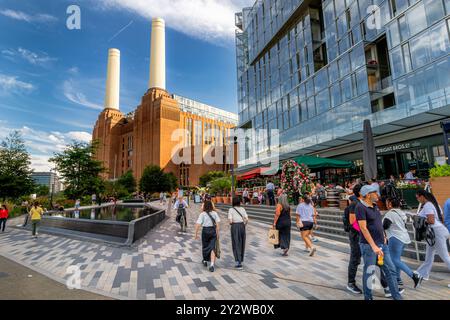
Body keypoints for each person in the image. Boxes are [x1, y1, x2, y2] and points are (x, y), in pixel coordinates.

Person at [356, 185, 402, 300]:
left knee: (390, 270)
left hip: (382, 244)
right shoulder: (360, 207)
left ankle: (397, 296)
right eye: (375, 192)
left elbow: (379, 224)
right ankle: (368, 297)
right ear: (367, 195)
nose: (378, 195)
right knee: (369, 271)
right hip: (369, 246)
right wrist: (373, 246)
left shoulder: (375, 206)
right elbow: (363, 228)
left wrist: (384, 236)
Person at [383, 197, 422, 290]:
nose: (386, 204)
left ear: (390, 204)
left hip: (395, 238)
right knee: (397, 259)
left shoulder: (390, 214)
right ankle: (398, 279)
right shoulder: (401, 212)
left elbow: (384, 226)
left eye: (387, 202)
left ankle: (414, 276)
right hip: (404, 238)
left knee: (394, 260)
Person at [415, 190, 450, 283]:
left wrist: (422, 221)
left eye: (417, 197)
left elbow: (431, 221)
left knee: (446, 257)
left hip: (436, 233)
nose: (417, 199)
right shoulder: (434, 204)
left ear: (422, 196)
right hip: (437, 232)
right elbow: (441, 218)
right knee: (429, 256)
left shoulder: (428, 205)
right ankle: (422, 274)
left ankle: (421, 274)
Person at [344, 184, 363, 294]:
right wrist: (364, 231)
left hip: (365, 236)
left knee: (377, 260)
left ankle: (386, 284)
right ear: (360, 192)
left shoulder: (364, 203)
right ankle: (351, 283)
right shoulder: (354, 204)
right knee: (355, 258)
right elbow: (353, 223)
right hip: (356, 236)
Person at [194, 200, 220, 272]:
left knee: (205, 246)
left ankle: (205, 260)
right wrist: (218, 234)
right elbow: (217, 225)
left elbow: (198, 225)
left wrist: (195, 234)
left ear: (204, 206)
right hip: (213, 231)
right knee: (212, 247)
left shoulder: (202, 214)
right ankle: (212, 265)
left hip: (205, 231)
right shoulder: (215, 213)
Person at [228, 196, 248, 269]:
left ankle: (238, 262)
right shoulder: (242, 209)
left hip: (235, 226)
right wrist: (243, 225)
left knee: (236, 243)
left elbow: (230, 221)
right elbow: (247, 219)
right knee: (242, 243)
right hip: (242, 226)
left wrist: (232, 223)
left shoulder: (231, 210)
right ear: (239, 202)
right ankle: (240, 260)